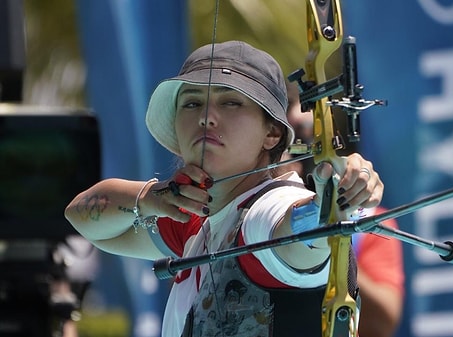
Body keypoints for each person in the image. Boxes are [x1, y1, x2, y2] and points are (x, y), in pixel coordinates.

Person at [64, 40, 384, 337]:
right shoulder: (196, 221)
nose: (206, 117)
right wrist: (150, 199)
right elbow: (82, 218)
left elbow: (297, 232)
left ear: (272, 133)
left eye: (230, 102)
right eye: (191, 103)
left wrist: (332, 202)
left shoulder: (266, 211)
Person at [284, 84, 404, 337]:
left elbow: (382, 324)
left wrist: (331, 242)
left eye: (307, 138)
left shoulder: (369, 221)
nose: (298, 151)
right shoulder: (239, 204)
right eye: (287, 138)